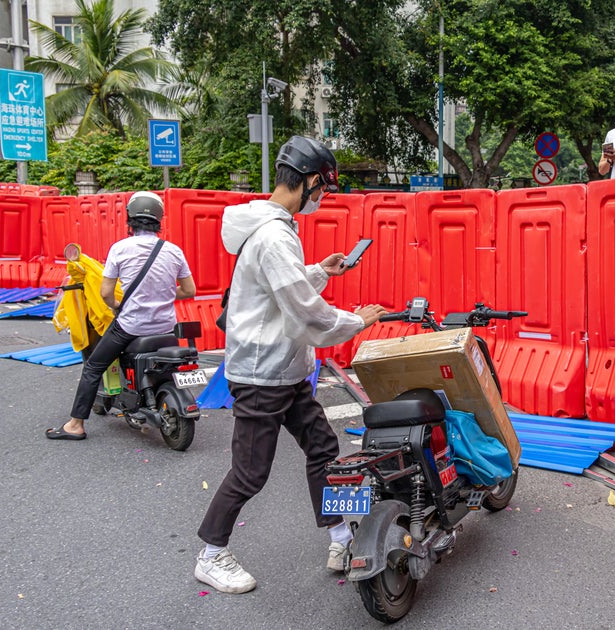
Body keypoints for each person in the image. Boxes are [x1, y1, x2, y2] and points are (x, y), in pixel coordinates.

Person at [194, 136, 386, 594]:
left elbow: (282, 290)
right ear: (311, 180)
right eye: (322, 190)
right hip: (263, 376)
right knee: (250, 471)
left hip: (287, 370)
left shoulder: (272, 228)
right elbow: (304, 311)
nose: (320, 199)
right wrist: (356, 321)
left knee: (322, 449)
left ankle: (341, 536)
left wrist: (322, 269)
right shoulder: (275, 235)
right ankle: (211, 553)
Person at [45, 191, 197, 440]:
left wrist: (117, 305)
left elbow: (105, 293)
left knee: (93, 366)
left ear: (130, 220)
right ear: (159, 220)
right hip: (166, 327)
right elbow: (189, 290)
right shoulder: (173, 251)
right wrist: (165, 294)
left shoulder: (120, 248)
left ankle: (75, 425)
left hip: (132, 326)